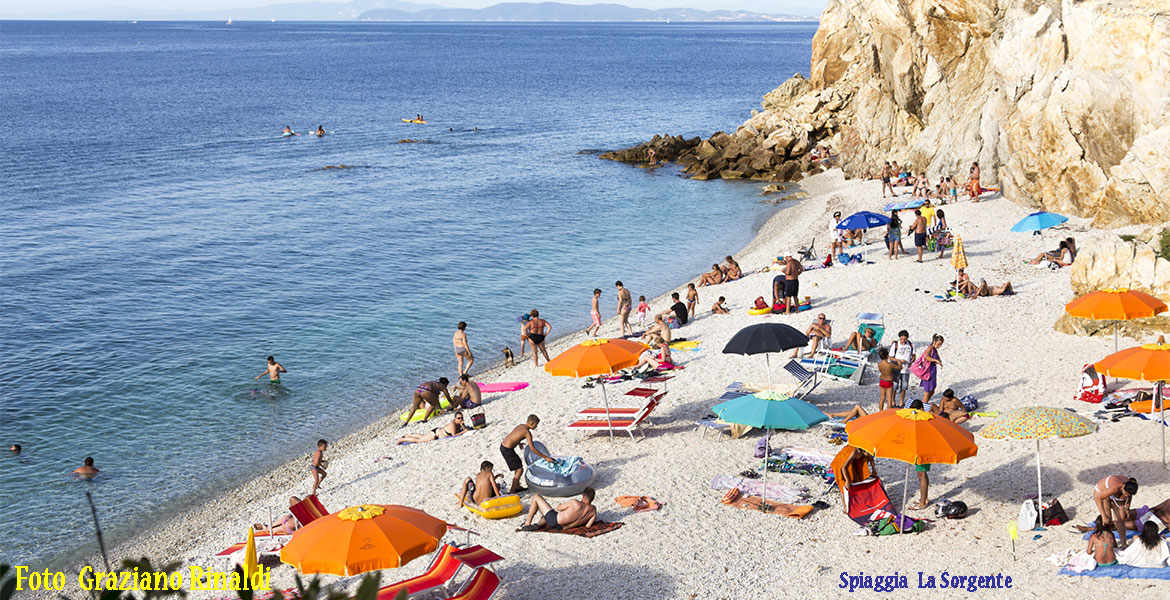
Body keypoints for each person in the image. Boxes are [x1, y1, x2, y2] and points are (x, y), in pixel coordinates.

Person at [501, 415, 555, 494]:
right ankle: (512, 492)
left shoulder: (520, 426)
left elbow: (514, 435)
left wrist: (518, 443)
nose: (536, 427)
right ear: (532, 423)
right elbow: (532, 449)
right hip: (507, 450)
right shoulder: (527, 433)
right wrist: (545, 457)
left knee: (517, 466)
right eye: (536, 425)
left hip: (504, 446)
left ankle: (517, 486)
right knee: (520, 470)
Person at [520, 487, 597, 531]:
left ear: (583, 496)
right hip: (563, 527)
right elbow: (588, 526)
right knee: (546, 515)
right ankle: (538, 525)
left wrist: (561, 505)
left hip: (554, 520)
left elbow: (558, 508)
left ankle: (527, 523)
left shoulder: (575, 503)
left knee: (536, 497)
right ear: (592, 499)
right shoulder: (593, 511)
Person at [1094, 475, 1139, 547]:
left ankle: (1124, 544)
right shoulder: (1115, 487)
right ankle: (1111, 543)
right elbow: (1098, 498)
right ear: (1123, 487)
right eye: (1126, 493)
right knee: (1107, 520)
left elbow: (1129, 497)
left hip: (1117, 496)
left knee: (1121, 520)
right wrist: (1103, 515)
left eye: (1128, 495)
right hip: (1102, 494)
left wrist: (1127, 508)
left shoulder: (1130, 487)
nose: (1127, 495)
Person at [906, 400, 932, 509]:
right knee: (921, 474)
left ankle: (922, 503)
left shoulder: (925, 418)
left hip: (923, 449)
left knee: (922, 475)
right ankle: (924, 498)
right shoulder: (922, 418)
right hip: (921, 448)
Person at [398, 411, 467, 444]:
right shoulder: (453, 424)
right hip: (435, 434)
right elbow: (454, 435)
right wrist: (463, 431)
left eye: (461, 418)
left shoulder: (459, 423)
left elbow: (465, 429)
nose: (460, 419)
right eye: (458, 418)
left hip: (437, 431)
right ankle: (402, 440)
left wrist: (463, 425)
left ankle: (408, 435)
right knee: (418, 441)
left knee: (423, 436)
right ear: (455, 419)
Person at [889, 331, 915, 407]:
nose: (903, 340)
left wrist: (911, 362)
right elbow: (890, 357)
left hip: (906, 369)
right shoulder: (895, 345)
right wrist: (899, 361)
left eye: (905, 339)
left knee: (904, 386)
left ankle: (901, 402)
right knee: (894, 386)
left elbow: (914, 356)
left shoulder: (911, 345)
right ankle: (893, 402)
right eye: (902, 339)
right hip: (896, 368)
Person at [919, 334, 944, 407]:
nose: (939, 346)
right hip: (928, 371)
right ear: (934, 342)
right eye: (938, 344)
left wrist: (938, 360)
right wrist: (935, 360)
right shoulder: (930, 348)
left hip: (932, 371)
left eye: (940, 345)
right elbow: (926, 357)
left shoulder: (934, 349)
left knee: (932, 390)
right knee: (927, 391)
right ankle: (923, 405)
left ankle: (925, 403)